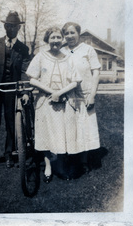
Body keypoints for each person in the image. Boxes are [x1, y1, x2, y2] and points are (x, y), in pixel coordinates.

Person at [26, 27, 82, 183]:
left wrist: (60, 93)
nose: (56, 40)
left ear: (62, 39)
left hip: (64, 101)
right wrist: (52, 92)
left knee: (63, 133)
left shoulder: (68, 58)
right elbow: (32, 79)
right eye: (53, 37)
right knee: (46, 133)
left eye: (58, 37)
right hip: (45, 101)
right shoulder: (40, 57)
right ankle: (48, 166)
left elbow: (76, 81)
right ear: (47, 40)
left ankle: (61, 166)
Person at [0, 11, 30, 168]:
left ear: (19, 28)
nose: (12, 29)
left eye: (15, 27)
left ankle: (9, 154)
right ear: (4, 26)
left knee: (12, 124)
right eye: (9, 26)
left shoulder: (23, 48)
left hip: (11, 91)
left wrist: (23, 90)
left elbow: (24, 70)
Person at [61, 22, 101, 173]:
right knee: (70, 127)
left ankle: (84, 160)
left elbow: (96, 72)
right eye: (67, 33)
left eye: (72, 33)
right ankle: (70, 158)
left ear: (78, 34)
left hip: (85, 93)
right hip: (68, 94)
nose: (70, 36)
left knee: (85, 127)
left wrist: (92, 94)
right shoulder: (62, 50)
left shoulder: (88, 49)